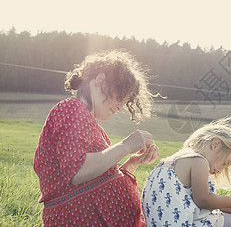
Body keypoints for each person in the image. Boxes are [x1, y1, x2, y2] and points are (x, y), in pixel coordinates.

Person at [33, 49, 160, 226]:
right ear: (99, 80)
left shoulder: (90, 124)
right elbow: (77, 172)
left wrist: (132, 162)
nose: (121, 107)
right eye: (120, 97)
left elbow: (99, 178)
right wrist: (125, 146)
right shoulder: (71, 109)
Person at [141, 117, 231, 227]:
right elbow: (203, 199)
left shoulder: (169, 162)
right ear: (215, 144)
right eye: (224, 163)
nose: (221, 170)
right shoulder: (199, 161)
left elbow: (181, 201)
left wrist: (220, 206)